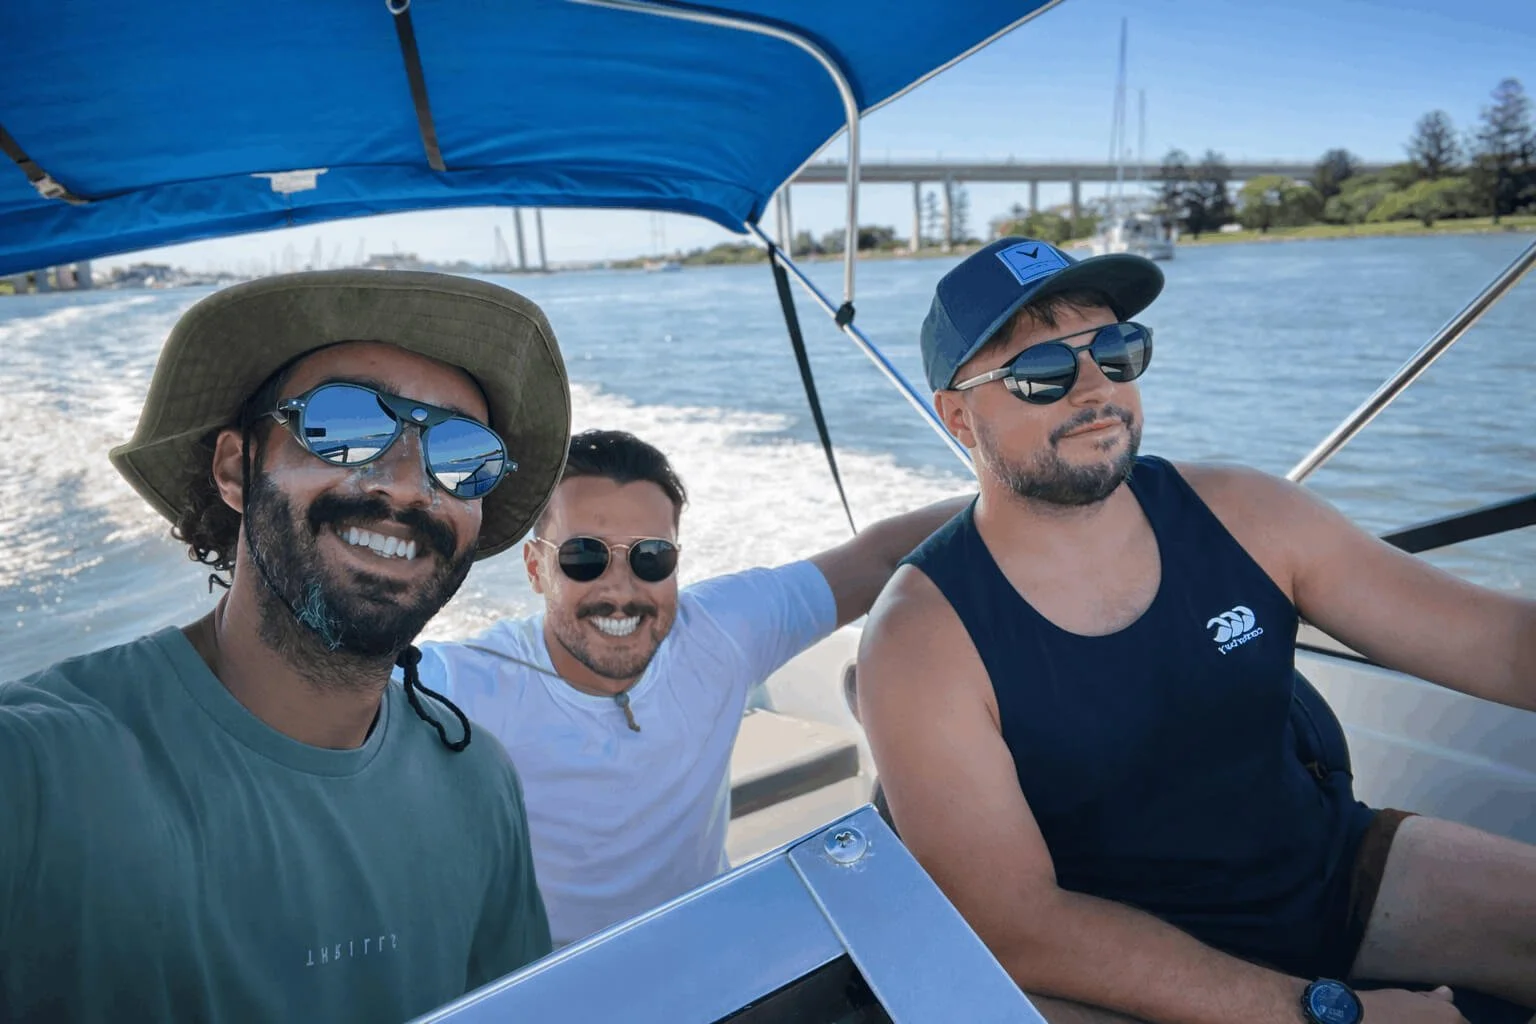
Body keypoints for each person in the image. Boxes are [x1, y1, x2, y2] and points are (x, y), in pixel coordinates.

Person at [855, 237, 1536, 1024]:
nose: (1094, 389)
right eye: (1040, 373)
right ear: (957, 418)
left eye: (1115, 351)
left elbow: (1499, 644)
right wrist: (1327, 1013)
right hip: (1109, 970)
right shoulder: (920, 641)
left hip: (1327, 872)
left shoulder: (1248, 515)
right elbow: (1016, 926)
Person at [0, 270, 571, 1023]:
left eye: (461, 453)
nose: (407, 484)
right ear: (237, 469)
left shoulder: (478, 783)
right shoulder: (39, 777)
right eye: (343, 427)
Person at [416, 428, 971, 947]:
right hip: (549, 984)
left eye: (650, 558)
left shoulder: (720, 632)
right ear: (536, 569)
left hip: (709, 951)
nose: (621, 590)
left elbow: (878, 558)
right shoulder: (464, 687)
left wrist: (1031, 500)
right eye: (584, 557)